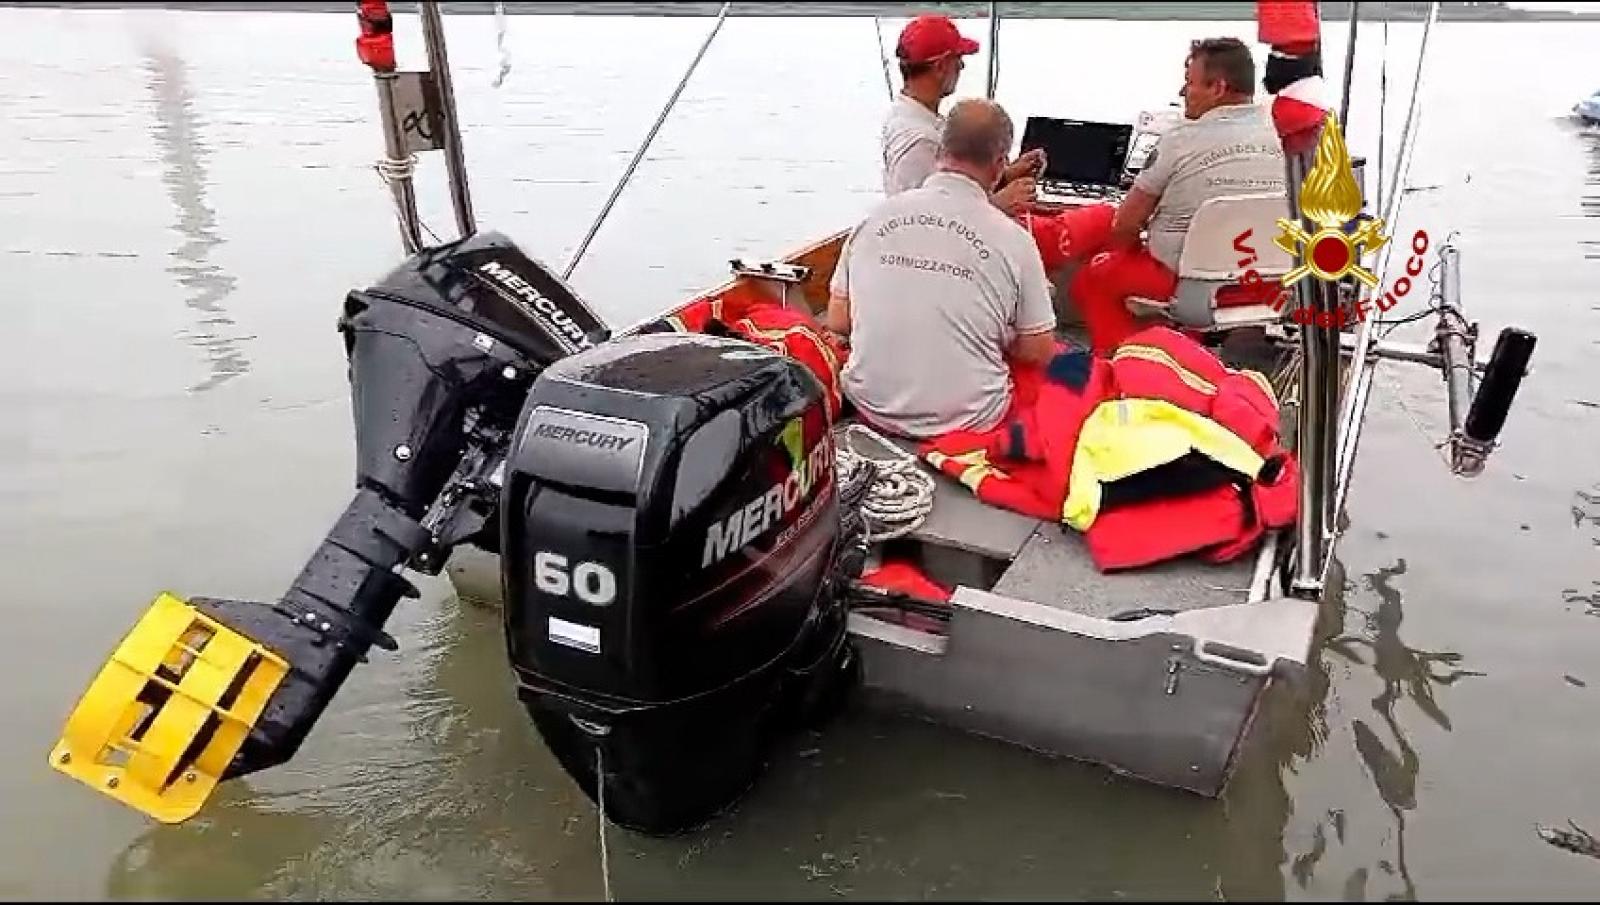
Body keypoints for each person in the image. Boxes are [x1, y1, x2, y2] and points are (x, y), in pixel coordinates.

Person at [827, 99, 1057, 440]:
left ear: (939, 153)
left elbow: (838, 321)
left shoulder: (873, 220)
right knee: (1058, 372)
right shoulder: (1014, 239)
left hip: (870, 405)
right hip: (969, 421)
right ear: (999, 164)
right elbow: (1039, 350)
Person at [1065, 36, 1287, 354]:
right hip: (1269, 285)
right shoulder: (1286, 137)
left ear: (1218, 88)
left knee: (1094, 276)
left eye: (1189, 83)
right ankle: (1179, 355)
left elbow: (1124, 226)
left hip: (1188, 286)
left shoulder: (1178, 141)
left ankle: (1119, 369)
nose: (1183, 93)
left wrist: (1130, 249)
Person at [881, 14, 1043, 214]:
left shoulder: (915, 115)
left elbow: (951, 193)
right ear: (940, 66)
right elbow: (923, 219)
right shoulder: (919, 141)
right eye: (958, 59)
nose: (962, 66)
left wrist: (1004, 175)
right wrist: (997, 205)